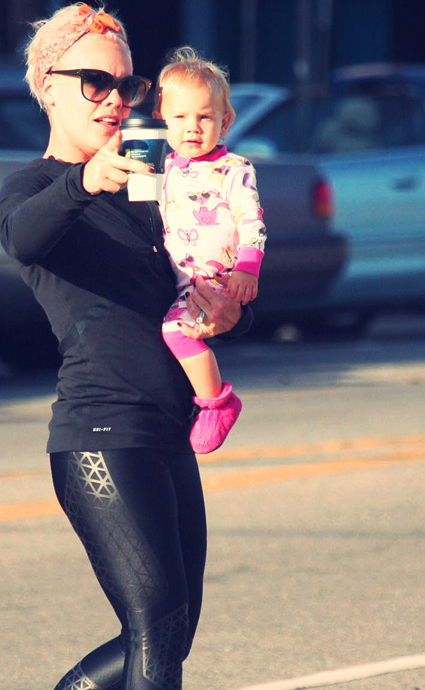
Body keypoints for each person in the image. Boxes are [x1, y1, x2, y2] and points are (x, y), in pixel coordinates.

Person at [0, 4, 285, 690]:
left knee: (169, 630)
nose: (116, 98)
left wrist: (229, 300)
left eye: (126, 84)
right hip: (97, 435)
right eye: (96, 82)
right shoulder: (32, 189)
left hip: (165, 425)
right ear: (49, 88)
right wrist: (87, 178)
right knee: (154, 624)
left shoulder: (154, 184)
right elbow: (26, 239)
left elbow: (188, 277)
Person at [155, 47, 267, 455]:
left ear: (225, 121)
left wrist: (247, 269)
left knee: (176, 332)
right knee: (178, 334)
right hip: (182, 282)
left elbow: (251, 221)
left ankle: (217, 402)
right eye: (180, 117)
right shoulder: (161, 171)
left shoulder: (234, 169)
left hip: (215, 280)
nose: (193, 127)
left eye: (205, 117)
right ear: (162, 121)